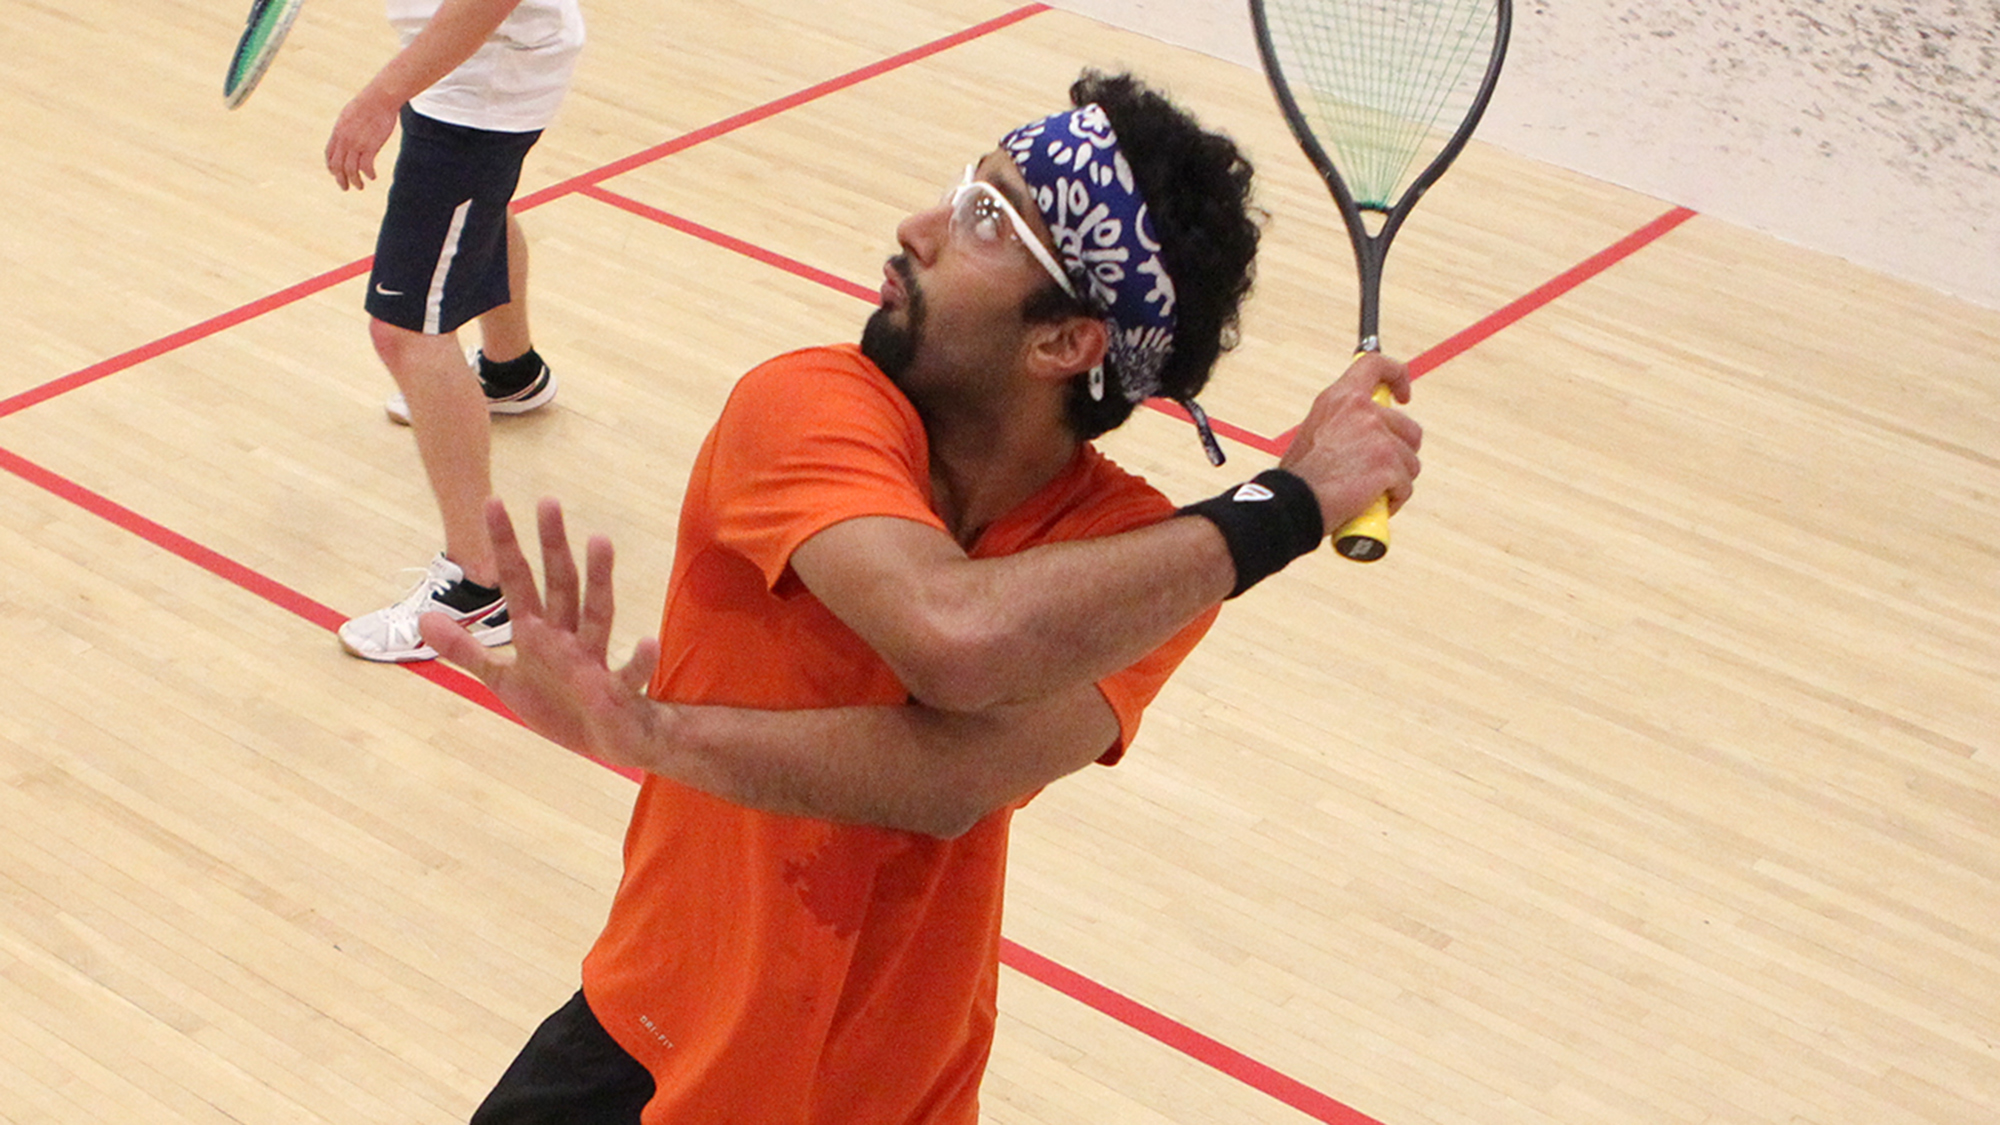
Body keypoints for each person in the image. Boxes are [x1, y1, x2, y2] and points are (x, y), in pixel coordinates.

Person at [426, 71, 1421, 1124]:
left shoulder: (1148, 562)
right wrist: (1282, 506)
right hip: (652, 1047)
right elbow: (943, 626)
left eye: (986, 218)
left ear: (1063, 341)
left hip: (896, 1100)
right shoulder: (807, 403)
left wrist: (652, 733)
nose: (917, 227)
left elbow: (951, 771)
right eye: (962, 190)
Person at [326, 0, 586, 663]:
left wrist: (380, 96)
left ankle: (480, 586)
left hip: (482, 76)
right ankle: (511, 371)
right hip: (464, 63)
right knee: (479, 212)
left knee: (404, 332)